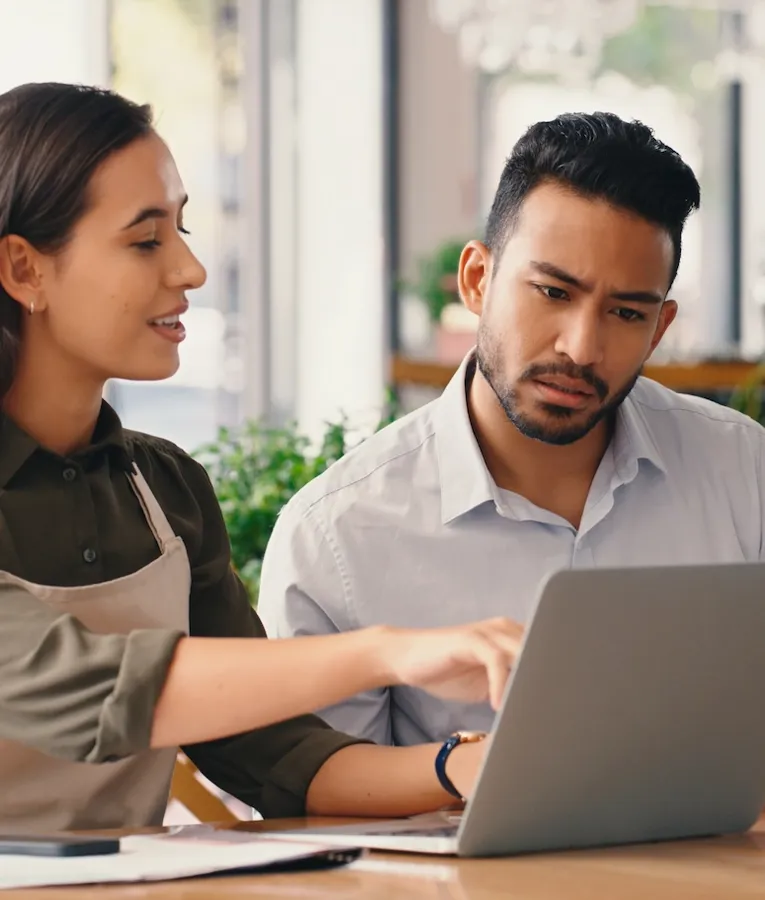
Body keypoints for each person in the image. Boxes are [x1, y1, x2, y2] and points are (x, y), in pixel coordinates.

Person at [0, 81, 524, 833]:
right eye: (146, 240)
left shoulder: (167, 489)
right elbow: (97, 690)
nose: (190, 270)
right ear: (25, 270)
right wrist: (385, 653)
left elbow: (275, 758)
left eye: (182, 231)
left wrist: (464, 764)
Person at [259, 111, 765, 747]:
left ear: (659, 329)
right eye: (553, 293)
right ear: (478, 280)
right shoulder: (337, 535)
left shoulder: (745, 474)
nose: (581, 348)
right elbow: (320, 810)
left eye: (626, 312)